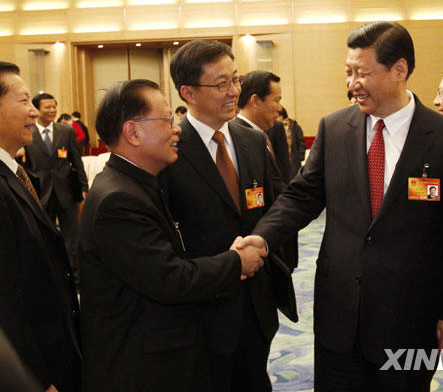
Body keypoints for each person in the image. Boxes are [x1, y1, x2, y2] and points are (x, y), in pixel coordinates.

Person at [239, 21, 443, 391]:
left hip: (409, 318)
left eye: (363, 73)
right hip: (340, 315)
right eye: (348, 72)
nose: (353, 83)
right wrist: (263, 238)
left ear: (399, 70)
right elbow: (302, 195)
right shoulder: (335, 129)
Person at [78, 79, 267, 392]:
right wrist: (237, 262)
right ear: (133, 133)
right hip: (143, 368)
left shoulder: (137, 184)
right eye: (166, 120)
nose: (176, 129)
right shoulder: (118, 200)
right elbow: (171, 278)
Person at [162, 39, 295, 392]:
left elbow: (272, 207)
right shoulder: (168, 150)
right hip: (202, 313)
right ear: (188, 93)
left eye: (235, 79)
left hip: (257, 306)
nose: (234, 91)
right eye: (221, 84)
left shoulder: (252, 141)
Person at [0, 61, 81, 392]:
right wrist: (36, 378)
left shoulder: (16, 173)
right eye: (23, 101)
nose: (34, 111)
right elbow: (5, 300)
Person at [233, 70, 299, 270]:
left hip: (275, 238)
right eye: (276, 100)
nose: (280, 108)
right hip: (257, 245)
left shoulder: (263, 135)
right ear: (255, 100)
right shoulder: (237, 140)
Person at [24, 93, 88, 285]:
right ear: (37, 109)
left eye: (54, 106)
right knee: (45, 238)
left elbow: (77, 161)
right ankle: (53, 277)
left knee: (72, 238)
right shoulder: (28, 132)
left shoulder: (66, 132)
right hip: (40, 193)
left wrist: (84, 187)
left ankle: (76, 279)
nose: (52, 110)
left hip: (66, 192)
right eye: (48, 107)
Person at [278, 107, 306, 176]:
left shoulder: (295, 127)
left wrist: (300, 158)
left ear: (281, 116)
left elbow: (301, 143)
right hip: (282, 161)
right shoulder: (276, 127)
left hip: (294, 160)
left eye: (277, 116)